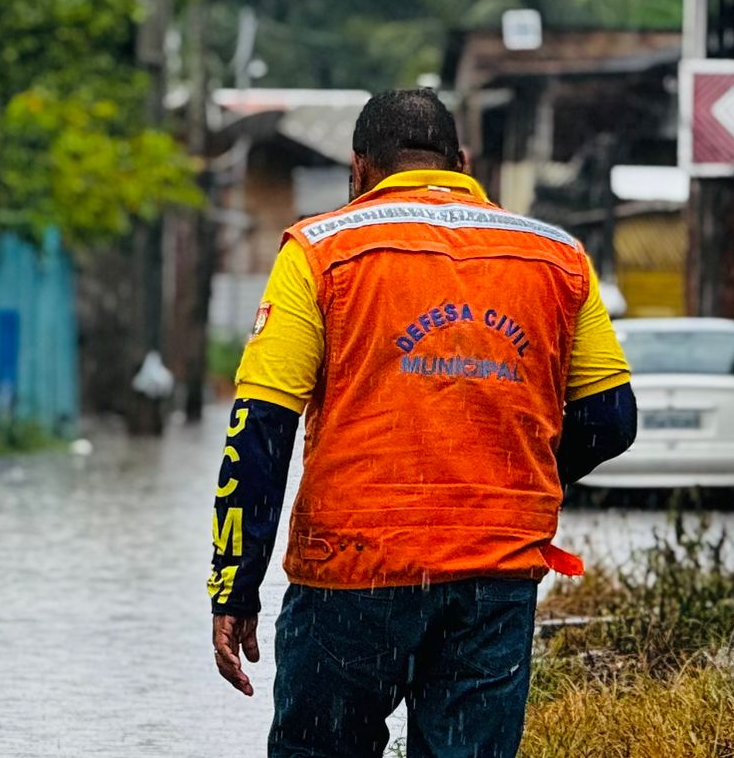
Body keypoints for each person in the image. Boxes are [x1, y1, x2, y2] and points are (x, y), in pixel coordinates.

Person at [207, 89, 637, 758]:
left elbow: (260, 429)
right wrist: (505, 481)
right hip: (494, 574)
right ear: (461, 161)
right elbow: (610, 420)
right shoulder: (558, 258)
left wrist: (235, 583)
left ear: (358, 170)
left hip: (349, 574)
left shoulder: (319, 251)